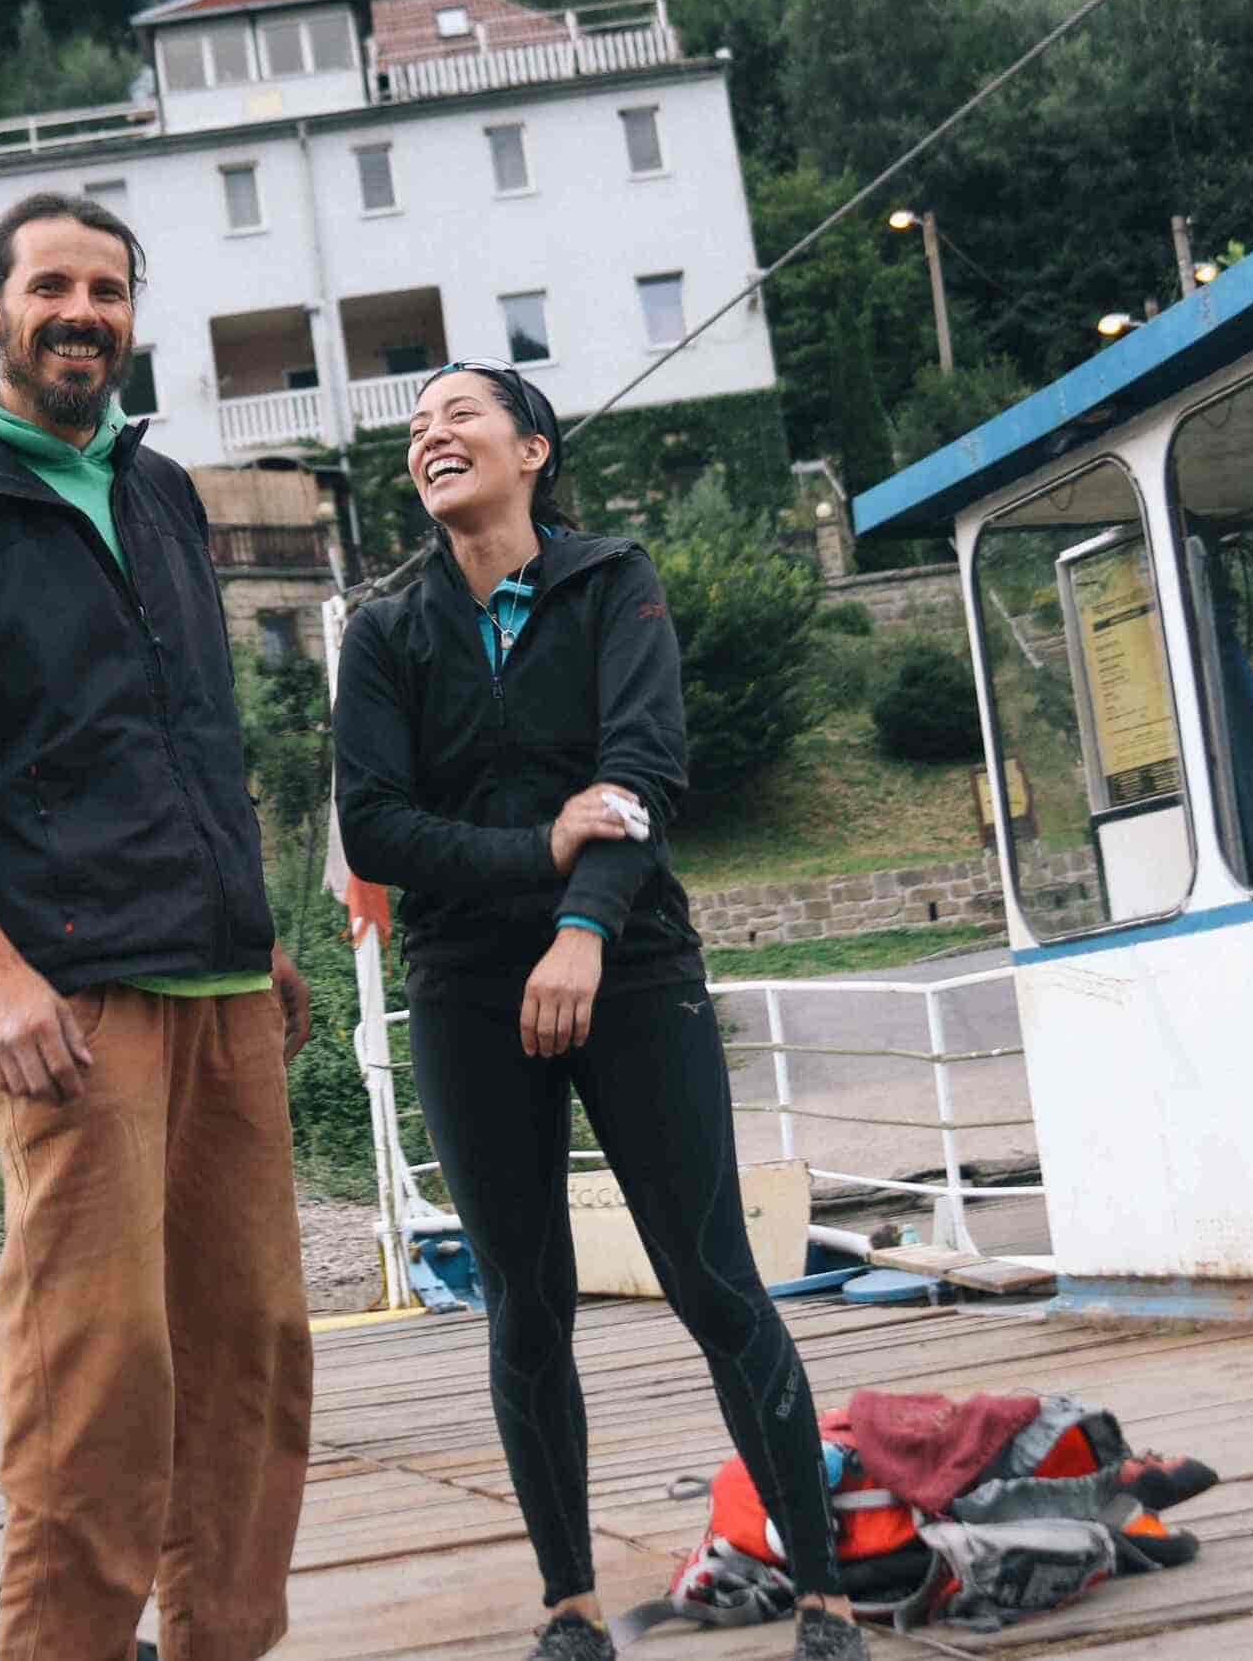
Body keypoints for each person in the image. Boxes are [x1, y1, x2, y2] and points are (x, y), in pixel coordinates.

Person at [0, 190, 314, 1661]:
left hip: (223, 988)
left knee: (251, 1367)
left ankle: (223, 1645)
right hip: (73, 1005)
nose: (81, 313)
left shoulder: (160, 493)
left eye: (107, 289)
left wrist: (251, 926)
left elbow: (184, 734)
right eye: (50, 286)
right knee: (95, 1381)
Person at [332, 361, 867, 1661]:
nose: (430, 435)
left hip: (630, 967)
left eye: (459, 414)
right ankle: (570, 1607)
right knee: (526, 1304)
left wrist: (581, 930)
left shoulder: (611, 582)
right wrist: (533, 853)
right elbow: (375, 825)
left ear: (532, 449)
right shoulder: (387, 630)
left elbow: (639, 778)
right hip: (464, 984)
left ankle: (824, 1598)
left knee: (716, 1281)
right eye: (416, 427)